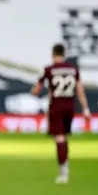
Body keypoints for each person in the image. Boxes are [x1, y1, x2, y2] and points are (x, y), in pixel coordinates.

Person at [31, 43, 91, 184]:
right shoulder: (73, 69)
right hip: (70, 106)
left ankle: (63, 172)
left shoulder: (49, 69)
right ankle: (65, 165)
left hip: (56, 106)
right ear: (64, 54)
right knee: (64, 137)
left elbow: (36, 91)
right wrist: (86, 109)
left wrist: (34, 91)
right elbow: (79, 90)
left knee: (59, 138)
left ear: (53, 54)